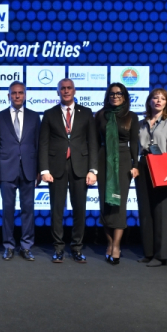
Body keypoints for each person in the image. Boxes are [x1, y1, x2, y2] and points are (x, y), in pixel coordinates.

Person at [39, 78, 97, 263]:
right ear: (58, 92)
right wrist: (44, 169)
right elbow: (43, 143)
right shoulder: (49, 114)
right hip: (56, 167)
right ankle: (58, 248)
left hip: (80, 167)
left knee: (80, 209)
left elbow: (93, 143)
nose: (66, 91)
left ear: (74, 91)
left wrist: (93, 170)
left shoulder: (86, 113)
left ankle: (77, 248)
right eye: (62, 88)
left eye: (69, 88)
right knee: (56, 210)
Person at [94, 82, 140, 265]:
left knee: (119, 204)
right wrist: (93, 167)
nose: (115, 96)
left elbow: (134, 143)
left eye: (119, 93)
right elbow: (95, 142)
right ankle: (109, 243)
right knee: (105, 203)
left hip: (123, 160)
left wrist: (135, 164)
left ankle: (116, 245)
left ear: (125, 96)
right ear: (108, 96)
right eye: (112, 94)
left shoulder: (131, 116)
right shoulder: (100, 115)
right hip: (103, 159)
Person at [0, 81, 40, 261]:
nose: (17, 95)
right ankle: (8, 246)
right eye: (14, 93)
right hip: (6, 169)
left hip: (29, 169)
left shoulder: (34, 117)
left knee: (28, 209)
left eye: (20, 92)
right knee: (8, 209)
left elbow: (38, 145)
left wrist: (39, 170)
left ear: (25, 95)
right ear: (9, 96)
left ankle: (26, 246)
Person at [136, 88, 167, 267]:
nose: (158, 101)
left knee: (163, 211)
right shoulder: (141, 123)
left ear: (166, 103)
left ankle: (162, 255)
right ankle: (149, 252)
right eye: (155, 98)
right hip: (143, 165)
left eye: (162, 98)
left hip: (164, 165)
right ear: (149, 101)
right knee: (145, 210)